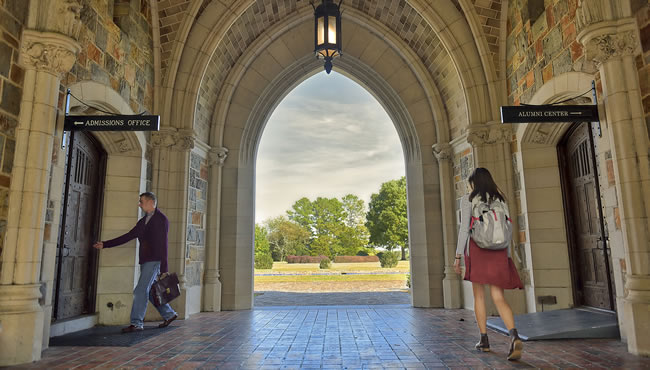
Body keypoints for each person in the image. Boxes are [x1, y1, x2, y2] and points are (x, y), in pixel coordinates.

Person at [453, 168, 524, 360]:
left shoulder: (468, 199)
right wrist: (508, 256)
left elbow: (464, 231)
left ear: (473, 183)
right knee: (498, 296)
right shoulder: (500, 199)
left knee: (479, 296)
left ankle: (484, 339)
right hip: (499, 250)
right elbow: (508, 228)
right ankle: (514, 335)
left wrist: (458, 256)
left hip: (478, 250)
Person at [93, 192, 178, 333]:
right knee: (150, 292)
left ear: (151, 202)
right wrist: (105, 244)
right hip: (145, 261)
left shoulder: (161, 220)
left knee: (139, 290)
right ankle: (169, 314)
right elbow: (129, 236)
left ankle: (137, 323)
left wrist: (164, 267)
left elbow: (164, 244)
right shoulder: (143, 221)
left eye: (142, 201)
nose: (139, 204)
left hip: (154, 261)